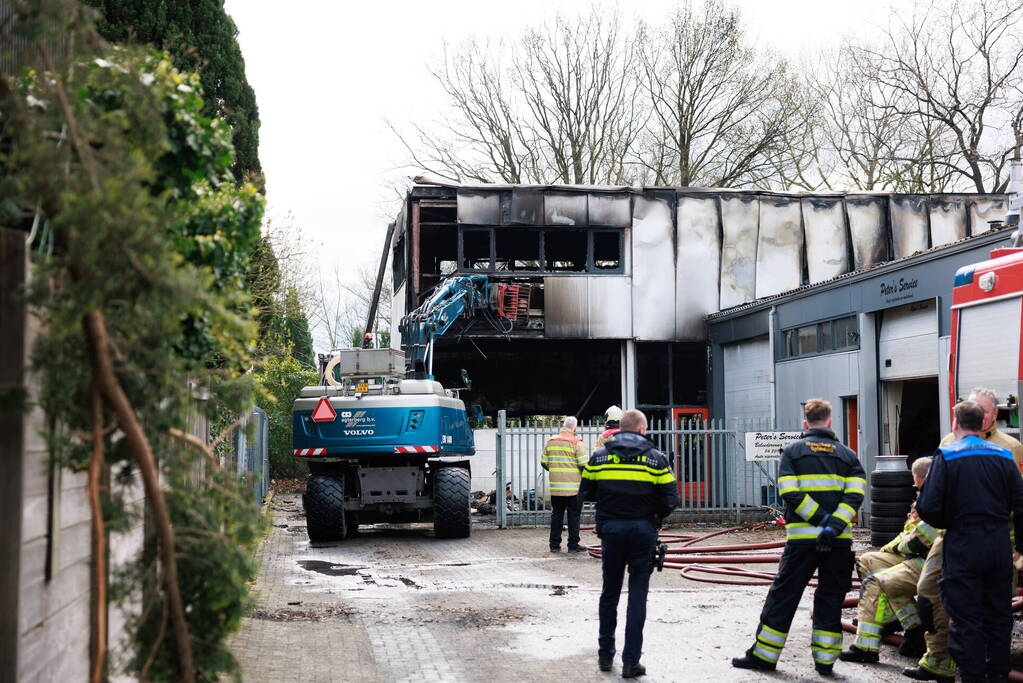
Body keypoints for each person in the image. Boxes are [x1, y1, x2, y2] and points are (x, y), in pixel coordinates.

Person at [732, 398, 865, 677]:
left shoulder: (792, 453)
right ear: (830, 422)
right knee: (831, 597)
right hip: (839, 542)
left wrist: (820, 520)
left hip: (802, 541)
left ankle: (765, 656)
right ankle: (826, 661)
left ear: (806, 423)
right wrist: (833, 526)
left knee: (785, 596)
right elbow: (854, 497)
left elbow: (790, 493)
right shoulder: (849, 456)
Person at [905, 388, 1023, 683]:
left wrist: (953, 522)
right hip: (999, 544)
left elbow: (928, 507)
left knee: (966, 617)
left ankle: (971, 677)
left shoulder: (946, 455)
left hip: (963, 544)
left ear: (956, 424)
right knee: (998, 617)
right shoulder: (1005, 454)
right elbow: (1021, 503)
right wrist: (1019, 544)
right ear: (984, 420)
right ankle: (996, 676)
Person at [580, 409, 678, 678]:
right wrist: (653, 517)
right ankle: (631, 662)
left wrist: (609, 503)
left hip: (611, 531)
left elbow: (586, 491)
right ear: (641, 429)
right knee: (637, 595)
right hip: (643, 532)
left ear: (621, 429)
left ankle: (605, 656)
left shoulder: (599, 457)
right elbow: (671, 500)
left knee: (609, 592)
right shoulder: (657, 460)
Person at [841, 457, 937, 664]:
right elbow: (909, 533)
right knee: (867, 561)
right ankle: (905, 623)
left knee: (877, 581)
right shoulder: (926, 497)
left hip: (929, 561)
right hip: (917, 557)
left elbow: (920, 540)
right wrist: (890, 548)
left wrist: (895, 547)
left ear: (918, 478)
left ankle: (866, 647)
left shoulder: (935, 499)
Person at [540, 416, 589, 553]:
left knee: (556, 516)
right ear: (574, 428)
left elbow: (543, 462)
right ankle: (573, 545)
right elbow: (583, 465)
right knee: (574, 517)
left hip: (556, 488)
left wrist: (555, 471)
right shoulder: (576, 442)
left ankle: (554, 545)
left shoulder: (551, 441)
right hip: (573, 489)